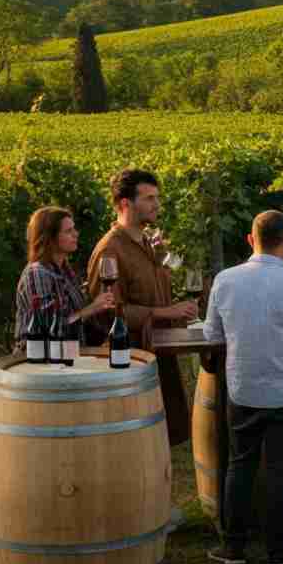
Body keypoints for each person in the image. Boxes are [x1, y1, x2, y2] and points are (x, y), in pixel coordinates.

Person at [204, 210, 283, 564]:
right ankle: (279, 548)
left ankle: (234, 546)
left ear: (249, 239)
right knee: (280, 469)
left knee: (239, 466)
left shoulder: (224, 280)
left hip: (242, 387)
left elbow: (212, 335)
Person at [87, 170, 197, 447]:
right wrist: (166, 312)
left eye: (157, 198)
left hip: (159, 352)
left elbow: (169, 272)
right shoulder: (110, 251)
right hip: (132, 363)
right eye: (149, 199)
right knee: (138, 442)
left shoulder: (148, 242)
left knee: (163, 440)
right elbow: (108, 313)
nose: (157, 205)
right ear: (125, 204)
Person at [15, 207, 115, 350]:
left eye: (74, 229)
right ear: (49, 238)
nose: (76, 234)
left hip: (67, 357)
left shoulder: (66, 272)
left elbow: (77, 323)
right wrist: (91, 309)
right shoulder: (38, 273)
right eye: (68, 231)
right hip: (40, 363)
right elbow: (49, 328)